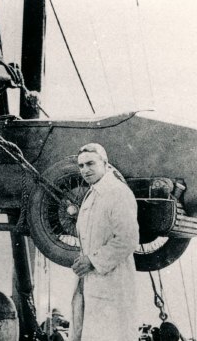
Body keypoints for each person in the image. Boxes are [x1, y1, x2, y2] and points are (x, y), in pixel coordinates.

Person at [70, 143, 139, 341]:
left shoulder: (117, 193)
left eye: (90, 163)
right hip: (92, 283)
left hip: (113, 285)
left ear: (105, 164)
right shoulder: (93, 194)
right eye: (81, 166)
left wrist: (92, 261)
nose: (85, 170)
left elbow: (128, 239)